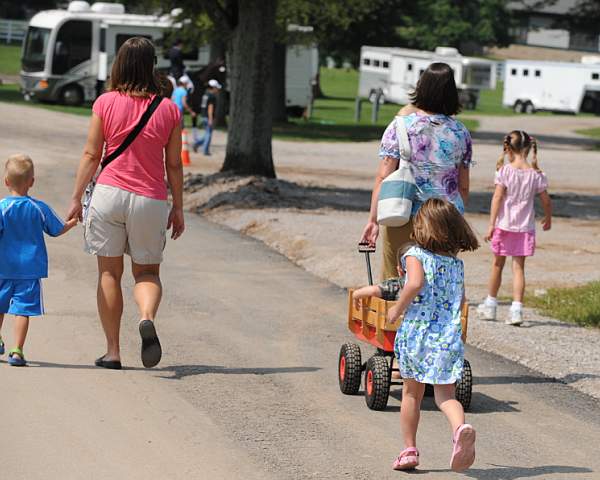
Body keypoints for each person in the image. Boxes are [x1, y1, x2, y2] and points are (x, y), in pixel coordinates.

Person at [66, 37, 185, 370]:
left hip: (108, 194)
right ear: (152, 66)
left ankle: (113, 351)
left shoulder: (105, 103)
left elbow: (92, 154)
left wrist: (76, 197)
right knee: (146, 272)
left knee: (109, 273)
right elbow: (174, 164)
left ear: (119, 63)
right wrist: (178, 207)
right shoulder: (169, 108)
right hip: (149, 198)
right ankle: (146, 317)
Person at [386, 198, 479, 472]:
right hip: (447, 338)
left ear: (423, 226)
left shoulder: (415, 254)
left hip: (418, 335)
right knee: (445, 396)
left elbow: (414, 283)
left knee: (411, 394)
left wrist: (396, 309)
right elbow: (461, 300)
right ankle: (460, 428)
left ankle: (409, 450)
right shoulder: (455, 265)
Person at [361, 63, 473, 281]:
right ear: (452, 93)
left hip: (403, 213)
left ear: (421, 88)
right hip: (445, 217)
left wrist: (373, 220)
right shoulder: (461, 132)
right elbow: (464, 185)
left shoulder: (400, 126)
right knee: (438, 283)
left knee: (395, 281)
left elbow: (383, 177)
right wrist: (456, 215)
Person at [0, 154, 77, 366]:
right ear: (32, 182)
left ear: (6, 182)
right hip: (29, 271)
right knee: (22, 311)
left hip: (3, 268)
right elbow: (56, 229)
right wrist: (71, 223)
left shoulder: (2, 207)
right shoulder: (38, 207)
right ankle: (17, 351)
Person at [477, 131, 552, 326]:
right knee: (519, 268)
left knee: (497, 265)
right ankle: (516, 310)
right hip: (525, 228)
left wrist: (491, 224)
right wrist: (548, 217)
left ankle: (490, 305)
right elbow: (546, 200)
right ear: (528, 147)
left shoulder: (505, 171)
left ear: (509, 148)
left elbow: (497, 198)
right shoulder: (536, 175)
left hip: (504, 225)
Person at [193, 79, 221, 156]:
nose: (217, 89)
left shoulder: (205, 94)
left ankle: (197, 144)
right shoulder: (212, 96)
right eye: (216, 88)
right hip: (207, 116)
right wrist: (211, 119)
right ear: (213, 87)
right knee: (209, 134)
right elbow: (210, 108)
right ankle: (205, 150)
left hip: (203, 115)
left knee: (206, 133)